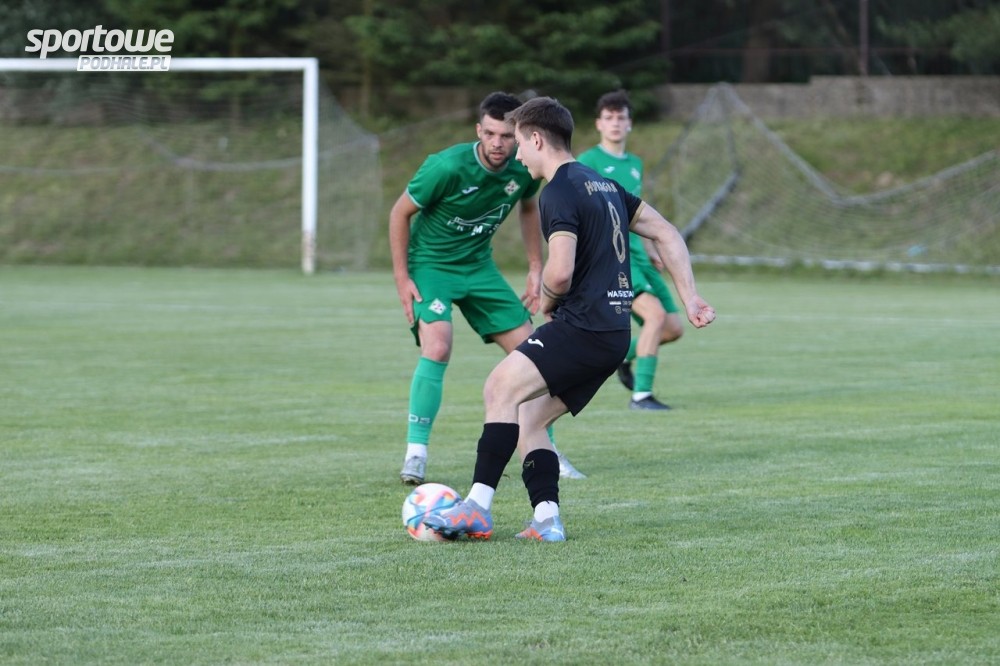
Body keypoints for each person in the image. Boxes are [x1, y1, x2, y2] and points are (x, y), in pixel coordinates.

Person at [422, 97, 715, 542]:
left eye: (520, 142)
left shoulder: (557, 190)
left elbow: (560, 271)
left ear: (537, 139)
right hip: (613, 335)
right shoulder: (604, 185)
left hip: (582, 327)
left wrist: (547, 299)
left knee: (499, 388)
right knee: (531, 419)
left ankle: (476, 508)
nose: (517, 154)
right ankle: (547, 520)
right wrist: (689, 297)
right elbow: (666, 232)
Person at [390, 91, 586, 486]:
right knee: (438, 346)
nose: (498, 143)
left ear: (519, 135)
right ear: (478, 130)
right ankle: (416, 453)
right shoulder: (446, 166)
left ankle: (545, 449)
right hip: (432, 266)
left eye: (507, 136)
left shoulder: (522, 169)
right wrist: (402, 278)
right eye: (490, 134)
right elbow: (400, 213)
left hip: (480, 268)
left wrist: (535, 267)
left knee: (534, 353)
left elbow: (529, 208)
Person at [577, 90, 684, 411]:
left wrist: (652, 249)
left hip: (640, 257)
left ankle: (621, 357)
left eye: (620, 118)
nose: (615, 123)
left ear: (629, 124)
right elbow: (578, 213)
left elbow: (638, 214)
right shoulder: (588, 162)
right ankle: (641, 396)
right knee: (655, 316)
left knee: (673, 328)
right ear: (598, 124)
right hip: (615, 260)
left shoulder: (635, 164)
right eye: (608, 118)